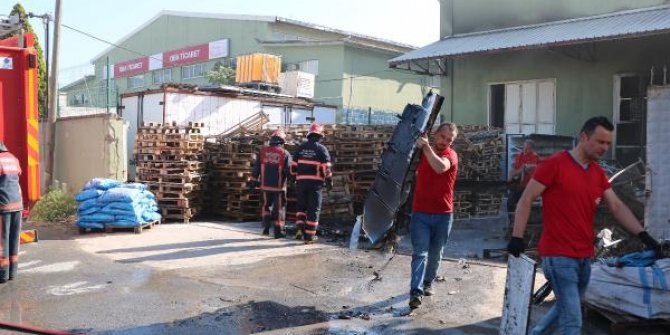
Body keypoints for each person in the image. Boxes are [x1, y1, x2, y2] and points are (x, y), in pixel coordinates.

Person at [507, 117, 660, 335]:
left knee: (565, 308)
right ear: (583, 137)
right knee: (573, 323)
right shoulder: (554, 165)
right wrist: (517, 237)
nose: (605, 148)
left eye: (608, 143)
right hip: (558, 255)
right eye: (600, 142)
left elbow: (616, 206)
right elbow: (526, 199)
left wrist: (644, 235)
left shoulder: (597, 173)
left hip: (584, 257)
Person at [408, 122, 459, 309]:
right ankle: (416, 291)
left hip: (443, 215)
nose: (444, 141)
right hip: (420, 212)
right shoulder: (421, 153)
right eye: (442, 136)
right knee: (420, 253)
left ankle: (428, 281)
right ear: (435, 133)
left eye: (449, 139)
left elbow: (440, 167)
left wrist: (426, 147)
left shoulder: (450, 155)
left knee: (436, 254)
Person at [291, 123, 332, 244]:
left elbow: (293, 166)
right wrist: (329, 180)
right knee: (314, 209)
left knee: (301, 207)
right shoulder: (321, 149)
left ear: (309, 134)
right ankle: (309, 236)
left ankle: (299, 229)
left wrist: (293, 179)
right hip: (315, 184)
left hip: (301, 183)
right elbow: (326, 168)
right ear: (319, 136)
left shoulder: (300, 148)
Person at [249, 128, 292, 238]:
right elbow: (289, 170)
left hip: (265, 186)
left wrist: (253, 181)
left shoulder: (262, 151)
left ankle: (265, 228)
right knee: (279, 209)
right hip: (279, 188)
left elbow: (256, 168)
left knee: (265, 206)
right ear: (282, 141)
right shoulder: (285, 153)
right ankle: (278, 231)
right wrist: (293, 181)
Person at [0, 142, 23, 283]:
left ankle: (2, 274)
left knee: (2, 240)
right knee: (14, 239)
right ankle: (12, 272)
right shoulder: (13, 159)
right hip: (17, 205)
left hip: (3, 206)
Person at [507, 139, 540, 213]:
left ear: (531, 149)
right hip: (518, 184)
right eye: (524, 147)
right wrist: (512, 176)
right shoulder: (519, 156)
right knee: (510, 201)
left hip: (527, 185)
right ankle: (511, 218)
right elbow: (515, 169)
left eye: (527, 148)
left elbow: (526, 169)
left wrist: (519, 171)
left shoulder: (534, 156)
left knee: (519, 202)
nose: (525, 149)